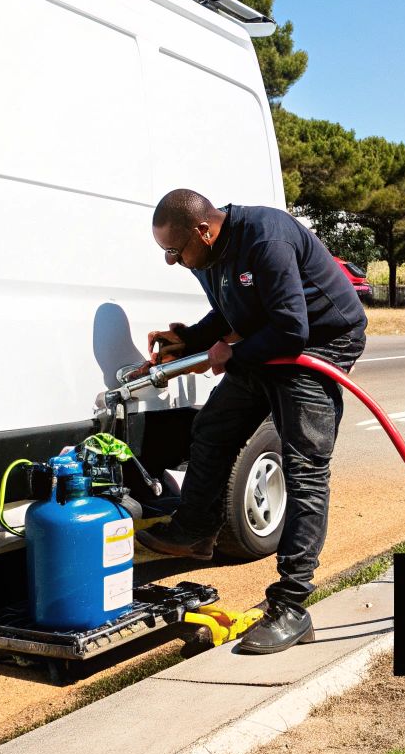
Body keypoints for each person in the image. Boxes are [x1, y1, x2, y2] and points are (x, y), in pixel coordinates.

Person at [137, 188, 368, 654]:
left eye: (174, 251)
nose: (173, 261)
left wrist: (230, 354)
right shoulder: (210, 256)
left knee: (304, 471)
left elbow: (291, 327)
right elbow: (232, 309)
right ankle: (196, 529)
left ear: (203, 230)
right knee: (213, 427)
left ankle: (291, 606)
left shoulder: (266, 237)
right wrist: (188, 340)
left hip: (318, 346)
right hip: (271, 342)